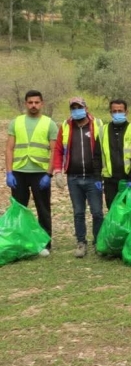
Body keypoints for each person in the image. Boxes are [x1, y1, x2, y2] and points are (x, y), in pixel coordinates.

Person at [5, 90, 58, 255]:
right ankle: (18, 241)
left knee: (43, 209)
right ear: (25, 104)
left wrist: (48, 174)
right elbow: (9, 148)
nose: (33, 105)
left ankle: (45, 244)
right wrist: (9, 172)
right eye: (30, 102)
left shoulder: (49, 124)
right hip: (19, 172)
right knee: (18, 209)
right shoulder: (16, 122)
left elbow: (54, 151)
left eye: (36, 102)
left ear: (42, 103)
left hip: (40, 174)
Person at [53, 97, 104, 258]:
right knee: (78, 212)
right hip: (73, 177)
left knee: (97, 212)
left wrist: (103, 174)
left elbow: (104, 150)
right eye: (73, 108)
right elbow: (58, 150)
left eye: (79, 107)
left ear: (86, 108)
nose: (76, 110)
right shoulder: (66, 126)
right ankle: (81, 242)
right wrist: (57, 171)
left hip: (93, 177)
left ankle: (99, 241)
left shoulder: (97, 124)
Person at [101, 99, 131, 209]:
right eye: (114, 111)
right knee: (113, 212)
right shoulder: (103, 130)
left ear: (126, 112)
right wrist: (97, 177)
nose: (117, 113)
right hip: (110, 181)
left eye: (120, 111)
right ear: (110, 112)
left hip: (130, 180)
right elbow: (98, 155)